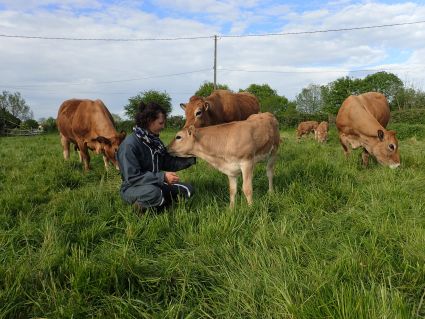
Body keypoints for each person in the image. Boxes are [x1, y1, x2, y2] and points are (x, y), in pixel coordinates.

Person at [116, 101, 196, 214]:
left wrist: (192, 158)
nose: (163, 126)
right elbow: (133, 177)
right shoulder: (129, 145)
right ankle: (139, 208)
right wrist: (162, 177)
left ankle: (159, 203)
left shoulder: (154, 141)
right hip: (133, 188)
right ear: (149, 121)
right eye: (161, 123)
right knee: (153, 193)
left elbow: (167, 162)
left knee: (187, 189)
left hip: (155, 183)